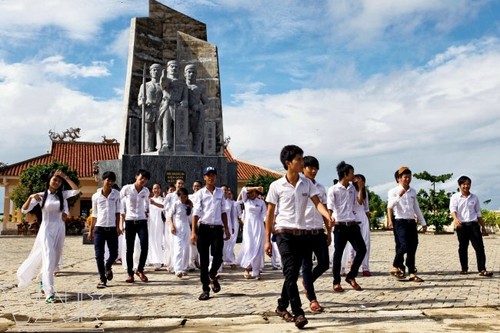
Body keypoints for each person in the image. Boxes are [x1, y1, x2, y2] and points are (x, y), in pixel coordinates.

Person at [264, 145, 333, 330]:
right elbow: (270, 214)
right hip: (283, 233)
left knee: (292, 275)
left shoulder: (307, 184)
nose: (302, 162)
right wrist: (266, 240)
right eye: (299, 160)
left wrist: (327, 216)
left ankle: (281, 306)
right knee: (290, 272)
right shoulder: (276, 186)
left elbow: (318, 204)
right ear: (288, 163)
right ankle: (298, 313)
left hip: (302, 234)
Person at [17, 170, 80, 303]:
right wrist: (30, 197)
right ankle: (49, 292)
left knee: (54, 260)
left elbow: (76, 190)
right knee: (49, 258)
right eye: (54, 180)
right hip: (46, 230)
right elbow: (24, 209)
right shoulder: (41, 196)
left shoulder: (62, 196)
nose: (56, 182)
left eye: (59, 181)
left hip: (59, 229)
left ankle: (41, 278)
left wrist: (65, 177)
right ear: (49, 181)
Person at [190, 166, 231, 301]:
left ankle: (212, 274)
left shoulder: (220, 193)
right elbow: (196, 213)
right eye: (208, 175)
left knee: (218, 256)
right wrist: (194, 232)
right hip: (204, 228)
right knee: (204, 259)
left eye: (213, 175)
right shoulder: (200, 193)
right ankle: (205, 289)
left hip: (217, 228)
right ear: (204, 177)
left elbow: (224, 211)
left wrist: (226, 228)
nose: (211, 177)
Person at [328, 161, 367, 293]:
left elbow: (360, 202)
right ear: (345, 174)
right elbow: (330, 206)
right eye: (352, 173)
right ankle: (336, 282)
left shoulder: (352, 188)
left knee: (362, 249)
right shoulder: (333, 189)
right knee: (338, 254)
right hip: (340, 226)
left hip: (352, 224)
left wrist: (360, 188)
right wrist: (330, 218)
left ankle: (351, 276)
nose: (354, 175)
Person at [301, 156, 331, 313]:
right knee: (306, 265)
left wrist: (329, 231)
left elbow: (324, 208)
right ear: (303, 168)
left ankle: (307, 282)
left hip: (318, 230)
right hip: (304, 231)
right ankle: (313, 300)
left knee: (324, 263)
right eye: (310, 168)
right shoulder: (299, 186)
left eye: (315, 168)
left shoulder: (320, 187)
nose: (313, 171)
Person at [387, 166, 427, 282]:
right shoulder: (393, 191)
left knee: (413, 246)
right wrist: (399, 195)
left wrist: (423, 221)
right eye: (405, 177)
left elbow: (416, 207)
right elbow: (390, 206)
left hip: (411, 222)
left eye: (409, 177)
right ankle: (396, 266)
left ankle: (411, 272)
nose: (407, 179)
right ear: (399, 178)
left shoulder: (413, 191)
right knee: (403, 245)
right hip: (400, 221)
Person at [449, 176, 493, 277]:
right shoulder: (455, 197)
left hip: (473, 225)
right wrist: (456, 219)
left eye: (468, 184)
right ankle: (464, 268)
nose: (466, 186)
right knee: (463, 247)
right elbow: (453, 209)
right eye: (464, 184)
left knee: (479, 247)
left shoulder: (474, 197)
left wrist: (483, 226)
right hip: (462, 226)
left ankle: (482, 269)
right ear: (460, 185)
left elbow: (478, 213)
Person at [88, 171, 121, 289]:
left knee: (114, 254)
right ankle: (102, 278)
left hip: (112, 228)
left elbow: (118, 212)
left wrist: (118, 227)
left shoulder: (117, 195)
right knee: (98, 255)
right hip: (99, 229)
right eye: (108, 180)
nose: (110, 182)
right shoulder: (96, 196)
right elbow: (94, 214)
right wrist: (91, 230)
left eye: (112, 180)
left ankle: (108, 266)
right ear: (103, 180)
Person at [120, 169, 151, 283]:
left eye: (146, 179)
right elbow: (119, 203)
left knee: (145, 245)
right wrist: (121, 221)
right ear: (136, 176)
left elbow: (147, 204)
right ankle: (130, 273)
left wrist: (147, 211)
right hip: (130, 220)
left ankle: (140, 269)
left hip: (142, 221)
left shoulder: (146, 191)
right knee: (130, 248)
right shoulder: (127, 189)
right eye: (141, 178)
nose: (143, 180)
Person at [341, 174, 372, 277]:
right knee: (352, 244)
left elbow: (365, 207)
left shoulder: (364, 192)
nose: (359, 182)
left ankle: (365, 267)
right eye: (357, 180)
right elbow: (356, 202)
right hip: (352, 218)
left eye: (361, 181)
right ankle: (352, 262)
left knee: (366, 242)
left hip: (362, 218)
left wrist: (368, 221)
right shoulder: (350, 191)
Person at [237, 184, 267, 280]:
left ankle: (256, 271)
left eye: (253, 192)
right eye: (249, 193)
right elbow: (243, 190)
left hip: (258, 225)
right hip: (248, 226)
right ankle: (247, 268)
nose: (250, 194)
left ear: (256, 193)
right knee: (249, 246)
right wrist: (254, 188)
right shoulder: (246, 201)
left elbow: (264, 216)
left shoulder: (261, 203)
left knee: (258, 248)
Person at [159, 60, 188, 152]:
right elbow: (163, 85)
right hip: (167, 105)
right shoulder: (166, 80)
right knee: (166, 125)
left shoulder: (183, 83)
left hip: (179, 107)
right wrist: (163, 77)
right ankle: (166, 144)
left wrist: (184, 102)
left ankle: (180, 144)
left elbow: (185, 98)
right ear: (168, 68)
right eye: (172, 67)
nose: (174, 68)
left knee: (179, 126)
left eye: (176, 67)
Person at [138, 63, 163, 152]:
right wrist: (143, 102)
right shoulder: (145, 85)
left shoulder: (163, 85)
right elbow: (139, 100)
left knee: (159, 129)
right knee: (148, 131)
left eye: (158, 70)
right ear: (150, 72)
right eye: (154, 70)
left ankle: (160, 147)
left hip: (160, 110)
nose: (156, 72)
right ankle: (148, 148)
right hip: (148, 110)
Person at [168, 187, 193, 277]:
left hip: (186, 227)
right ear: (178, 196)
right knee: (178, 248)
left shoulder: (188, 205)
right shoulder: (176, 204)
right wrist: (171, 225)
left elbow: (191, 216)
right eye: (181, 197)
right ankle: (178, 269)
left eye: (185, 197)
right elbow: (169, 215)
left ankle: (184, 267)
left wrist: (190, 205)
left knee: (186, 248)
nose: (183, 199)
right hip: (177, 228)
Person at [185, 64, 209, 154]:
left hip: (196, 115)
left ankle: (197, 154)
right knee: (182, 137)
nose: (191, 74)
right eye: (189, 72)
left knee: (197, 137)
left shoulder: (200, 88)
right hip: (184, 115)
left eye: (193, 72)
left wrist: (199, 107)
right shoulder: (181, 86)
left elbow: (207, 104)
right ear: (185, 74)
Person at [164, 178, 185, 271]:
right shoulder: (170, 196)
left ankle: (180, 265)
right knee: (171, 244)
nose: (180, 185)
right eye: (179, 183)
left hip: (181, 223)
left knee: (180, 245)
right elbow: (163, 205)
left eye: (182, 183)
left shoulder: (184, 196)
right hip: (171, 221)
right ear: (175, 184)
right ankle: (172, 264)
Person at [148, 184, 165, 270]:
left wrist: (154, 203)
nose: (156, 190)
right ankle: (155, 261)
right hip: (151, 223)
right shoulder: (149, 200)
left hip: (160, 222)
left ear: (160, 190)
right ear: (152, 190)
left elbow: (163, 207)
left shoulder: (162, 199)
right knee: (152, 240)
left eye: (158, 188)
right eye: (154, 188)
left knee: (159, 241)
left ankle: (161, 260)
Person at [222, 185, 240, 268]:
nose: (224, 192)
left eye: (226, 190)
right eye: (223, 190)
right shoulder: (217, 201)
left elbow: (233, 216)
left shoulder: (230, 202)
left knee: (229, 243)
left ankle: (229, 259)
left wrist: (232, 227)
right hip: (219, 224)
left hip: (228, 224)